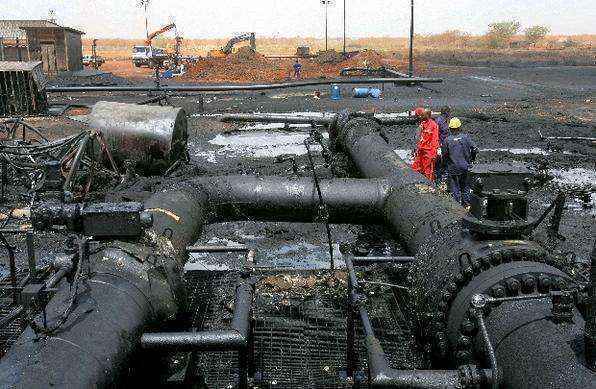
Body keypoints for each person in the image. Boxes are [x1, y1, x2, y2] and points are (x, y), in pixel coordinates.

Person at [442, 117, 478, 206]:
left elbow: (444, 155)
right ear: (460, 127)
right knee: (465, 187)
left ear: (450, 129)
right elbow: (475, 149)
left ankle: (457, 207)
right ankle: (466, 205)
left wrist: (445, 165)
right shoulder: (465, 138)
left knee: (455, 188)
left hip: (453, 168)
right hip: (465, 167)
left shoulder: (447, 140)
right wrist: (472, 160)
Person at [412, 108, 440, 181]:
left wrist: (434, 153)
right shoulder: (422, 124)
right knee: (416, 167)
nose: (419, 118)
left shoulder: (434, 125)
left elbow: (435, 140)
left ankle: (429, 186)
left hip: (428, 152)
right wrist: (416, 149)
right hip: (421, 151)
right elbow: (418, 138)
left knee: (428, 171)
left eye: (420, 116)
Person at [434, 106, 451, 183]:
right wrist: (437, 146)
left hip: (446, 144)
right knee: (440, 163)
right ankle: (439, 179)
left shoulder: (446, 120)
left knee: (446, 161)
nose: (450, 114)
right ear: (446, 112)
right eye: (449, 112)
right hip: (440, 145)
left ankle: (444, 178)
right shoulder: (439, 121)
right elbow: (435, 134)